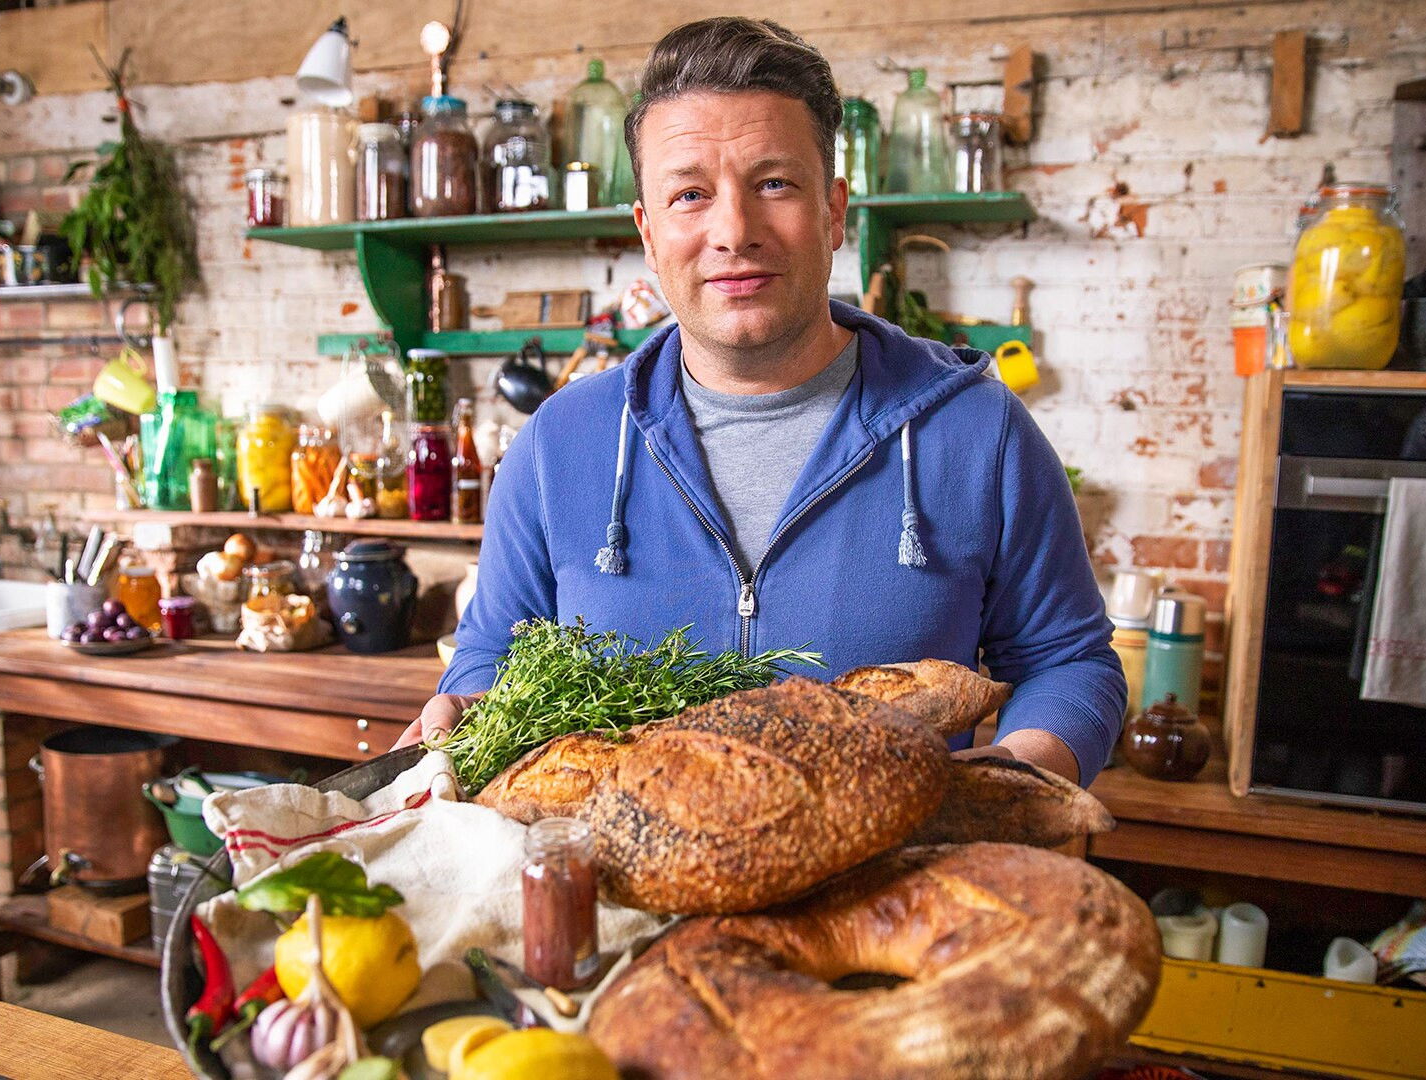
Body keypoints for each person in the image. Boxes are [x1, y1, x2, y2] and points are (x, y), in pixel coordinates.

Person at [392, 17, 1125, 784]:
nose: (733, 230)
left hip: (885, 889)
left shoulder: (979, 432)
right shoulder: (558, 444)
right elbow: (489, 654)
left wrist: (1002, 787)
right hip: (624, 890)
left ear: (834, 210)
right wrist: (461, 709)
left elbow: (1068, 662)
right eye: (690, 195)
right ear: (647, 231)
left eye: (773, 183)